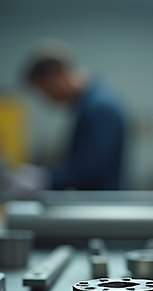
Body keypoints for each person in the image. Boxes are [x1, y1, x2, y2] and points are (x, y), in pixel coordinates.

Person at [7, 43, 126, 195]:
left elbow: (90, 171)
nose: (45, 99)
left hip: (101, 210)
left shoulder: (100, 107)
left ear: (55, 75)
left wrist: (45, 178)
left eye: (42, 90)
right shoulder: (88, 105)